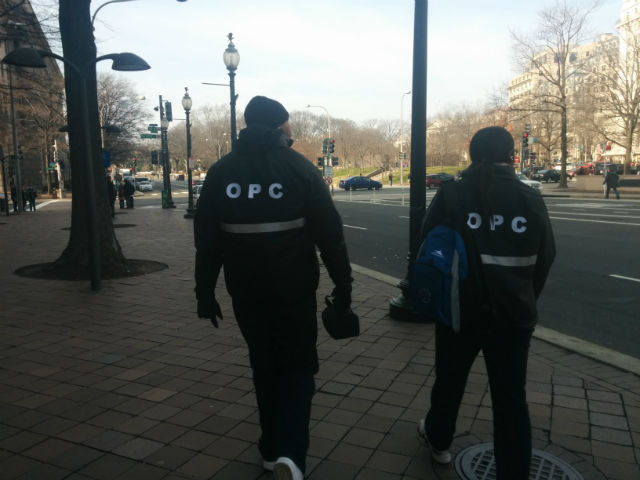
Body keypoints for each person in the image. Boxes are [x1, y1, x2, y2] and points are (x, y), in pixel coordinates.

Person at [194, 95, 353, 480]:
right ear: (281, 126)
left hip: (245, 290)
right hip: (293, 288)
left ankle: (269, 449)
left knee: (263, 365)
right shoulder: (299, 168)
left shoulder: (221, 173)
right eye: (289, 123)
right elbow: (330, 235)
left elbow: (207, 243)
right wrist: (343, 285)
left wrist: (205, 293)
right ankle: (290, 455)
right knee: (298, 366)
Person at [416, 126, 555, 479]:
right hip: (513, 313)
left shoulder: (453, 194)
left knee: (449, 380)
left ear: (473, 155)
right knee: (511, 397)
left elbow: (427, 245)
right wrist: (525, 296)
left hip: (459, 308)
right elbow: (545, 257)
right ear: (511, 155)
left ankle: (439, 440)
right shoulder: (529, 198)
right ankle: (513, 471)